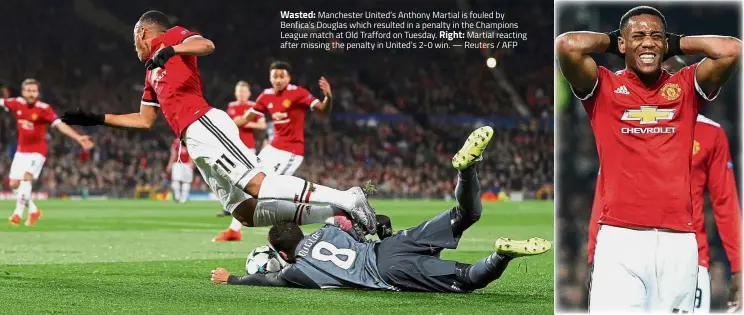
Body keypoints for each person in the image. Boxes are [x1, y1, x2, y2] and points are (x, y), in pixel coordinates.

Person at [60, 10, 378, 235]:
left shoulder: (172, 37)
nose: (136, 48)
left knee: (257, 183)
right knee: (245, 211)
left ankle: (348, 197)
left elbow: (207, 45)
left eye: (136, 40)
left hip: (205, 123)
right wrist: (97, 119)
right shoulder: (150, 73)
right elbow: (145, 120)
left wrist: (170, 49)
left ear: (142, 32)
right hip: (193, 142)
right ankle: (337, 214)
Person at [556, 5, 740, 312]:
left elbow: (732, 50)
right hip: (619, 239)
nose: (648, 42)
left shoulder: (684, 86)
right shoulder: (604, 87)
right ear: (622, 43)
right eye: (638, 35)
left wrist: (675, 43)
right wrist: (615, 41)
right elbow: (568, 45)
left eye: (656, 36)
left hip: (679, 243)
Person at [210, 127, 551, 292]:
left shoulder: (297, 271)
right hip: (391, 245)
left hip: (387, 272)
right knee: (466, 216)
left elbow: (269, 281)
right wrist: (381, 225)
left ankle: (501, 256)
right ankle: (467, 170)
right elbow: (367, 224)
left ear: (283, 253)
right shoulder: (331, 228)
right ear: (299, 231)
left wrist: (233, 279)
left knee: (466, 280)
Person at [587, 58, 743, 313]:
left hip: (686, 257)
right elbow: (603, 192)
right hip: (622, 246)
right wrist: (594, 254)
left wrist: (739, 266)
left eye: (671, 72)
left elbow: (725, 202)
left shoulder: (710, 134)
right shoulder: (623, 124)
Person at [213, 62, 332, 241]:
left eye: (281, 76)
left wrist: (328, 97)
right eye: (274, 76)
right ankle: (234, 230)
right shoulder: (266, 96)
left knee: (271, 190)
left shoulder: (298, 93)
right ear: (270, 77)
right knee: (248, 182)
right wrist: (217, 131)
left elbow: (323, 110)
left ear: (288, 78)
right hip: (272, 148)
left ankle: (323, 217)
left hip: (291, 151)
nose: (278, 79)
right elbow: (245, 120)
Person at [3, 79, 94, 226]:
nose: (31, 94)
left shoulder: (44, 108)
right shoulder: (16, 103)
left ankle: (17, 214)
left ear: (38, 93)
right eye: (28, 90)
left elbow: (59, 125)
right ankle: (33, 210)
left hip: (37, 151)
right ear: (23, 92)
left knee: (27, 177)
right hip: (21, 151)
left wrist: (78, 137)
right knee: (13, 183)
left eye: (34, 91)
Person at [215, 80, 265, 219]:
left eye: (243, 91)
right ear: (236, 93)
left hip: (248, 147)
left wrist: (244, 122)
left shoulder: (253, 107)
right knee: (230, 177)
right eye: (239, 91)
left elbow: (262, 125)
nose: (241, 94)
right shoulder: (231, 107)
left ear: (248, 93)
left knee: (248, 177)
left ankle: (251, 205)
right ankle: (230, 206)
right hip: (231, 147)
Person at [166, 138, 194, 203]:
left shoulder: (176, 141)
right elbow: (192, 152)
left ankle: (177, 197)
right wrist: (191, 163)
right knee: (186, 182)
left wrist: (170, 164)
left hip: (178, 163)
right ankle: (183, 198)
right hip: (186, 163)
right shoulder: (190, 140)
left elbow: (174, 154)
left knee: (176, 181)